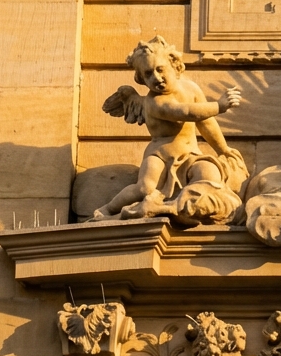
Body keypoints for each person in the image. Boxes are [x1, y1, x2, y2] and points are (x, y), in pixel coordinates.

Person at [93, 35, 244, 219]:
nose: (156, 77)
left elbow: (206, 123)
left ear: (174, 66)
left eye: (160, 69)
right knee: (144, 188)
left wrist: (223, 149)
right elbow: (185, 112)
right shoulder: (154, 102)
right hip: (159, 156)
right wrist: (219, 106)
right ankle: (107, 210)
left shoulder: (191, 88)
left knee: (209, 173)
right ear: (142, 79)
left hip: (191, 155)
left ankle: (183, 207)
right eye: (148, 74)